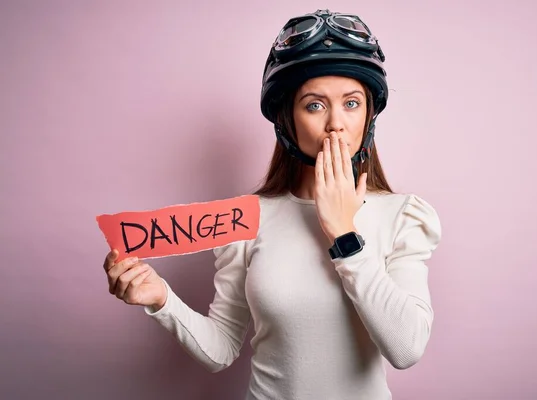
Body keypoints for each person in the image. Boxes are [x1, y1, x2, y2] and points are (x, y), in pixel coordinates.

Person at [102, 9, 442, 400]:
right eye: (315, 105)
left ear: (368, 114)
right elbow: (221, 348)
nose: (336, 124)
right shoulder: (247, 218)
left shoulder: (403, 216)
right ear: (287, 119)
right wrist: (161, 299)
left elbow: (407, 349)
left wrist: (345, 234)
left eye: (351, 103)